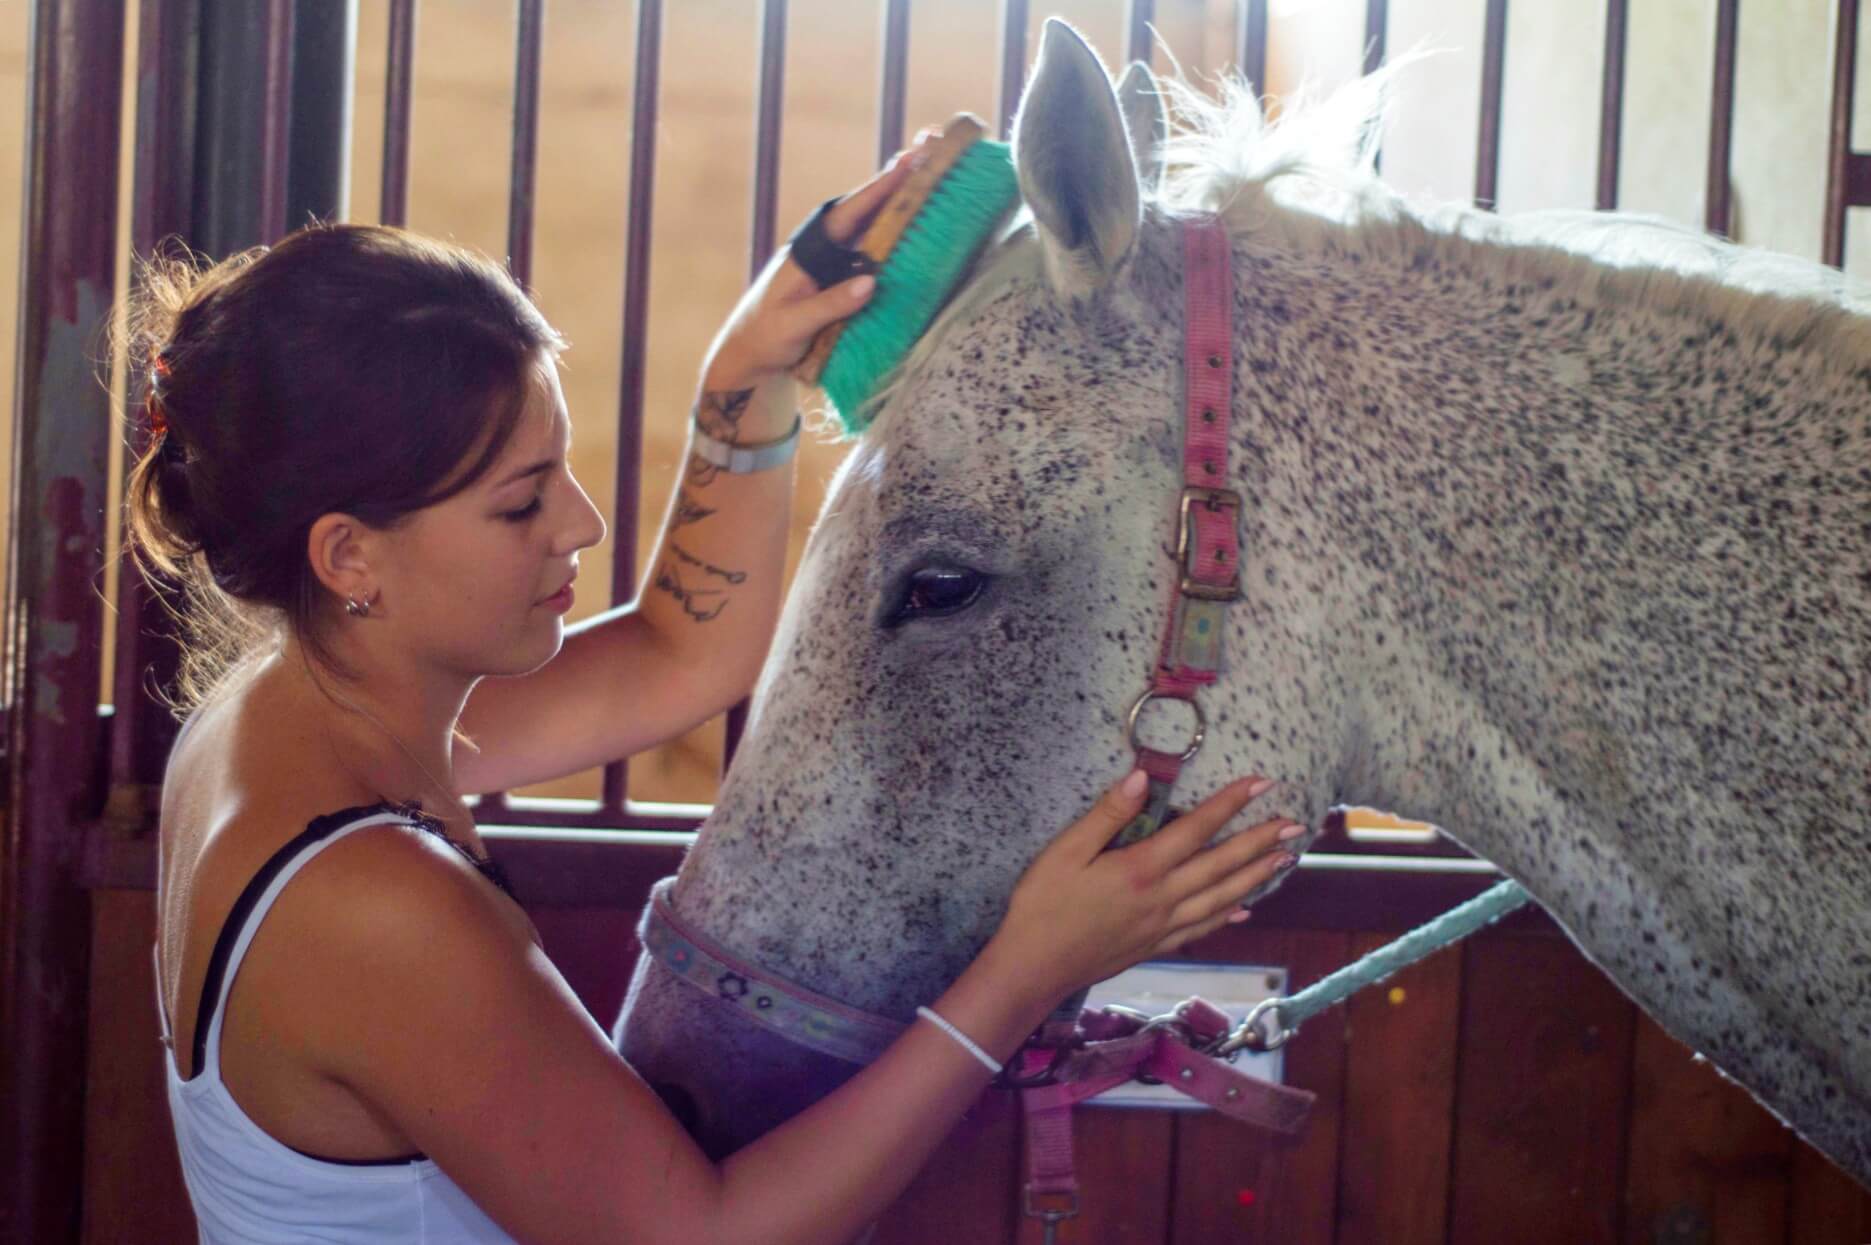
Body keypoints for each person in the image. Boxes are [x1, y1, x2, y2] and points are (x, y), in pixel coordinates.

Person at [132, 143, 1304, 1244]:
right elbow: (705, 1234)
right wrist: (1021, 972)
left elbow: (673, 662)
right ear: (348, 557)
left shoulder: (281, 715)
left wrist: (742, 384)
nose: (580, 524)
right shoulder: (370, 903)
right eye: (519, 502)